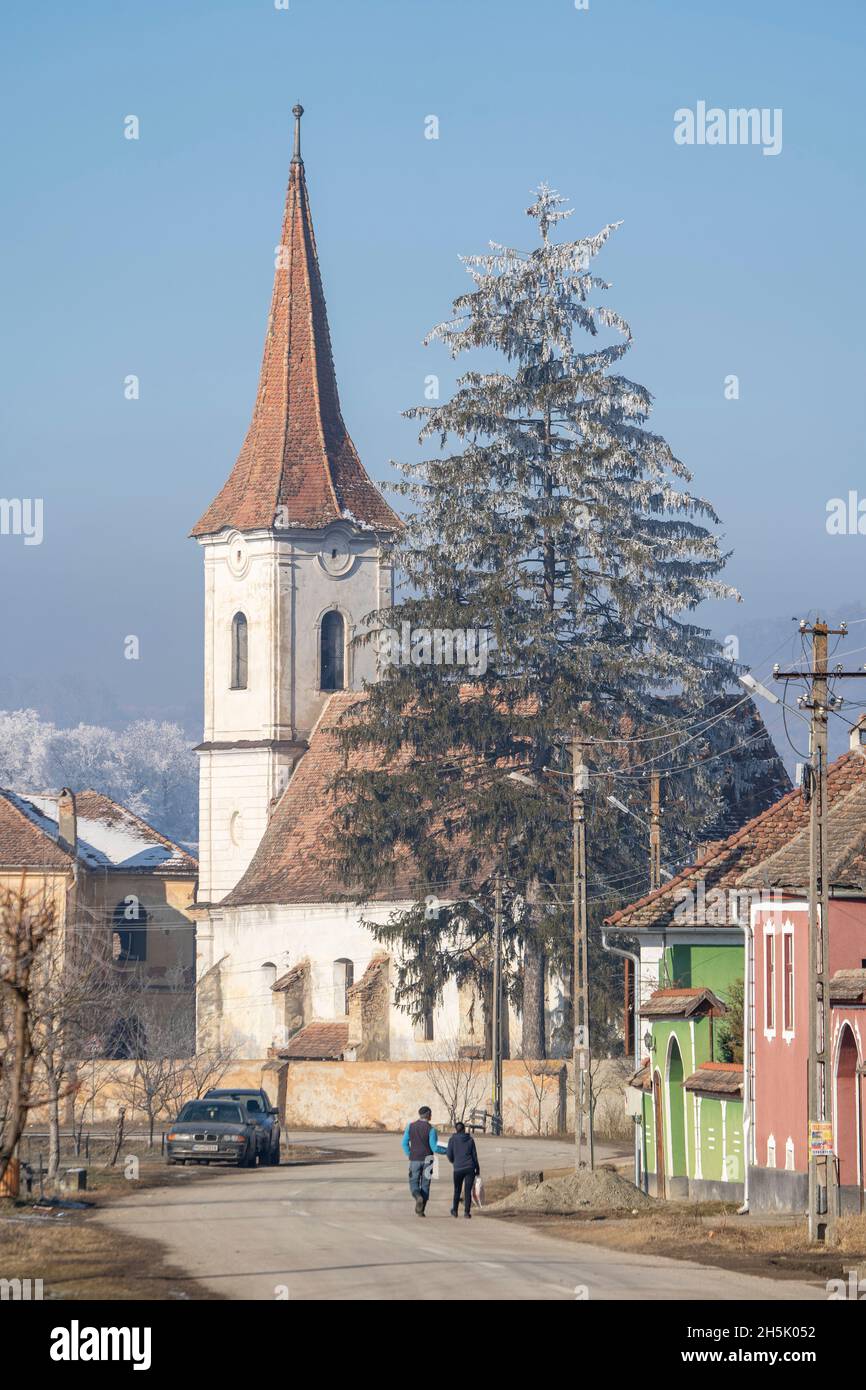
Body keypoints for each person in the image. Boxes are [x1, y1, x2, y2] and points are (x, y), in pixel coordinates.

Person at [401, 1105, 446, 1216]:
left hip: (415, 1159)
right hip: (429, 1159)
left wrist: (410, 1154)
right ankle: (421, 1211)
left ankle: (417, 1197)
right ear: (428, 1115)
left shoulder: (410, 1126)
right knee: (426, 1184)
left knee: (413, 1182)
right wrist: (447, 1151)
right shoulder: (431, 1130)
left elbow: (404, 1143)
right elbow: (434, 1148)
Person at [446, 1120, 480, 1218]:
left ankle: (455, 1211)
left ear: (456, 1130)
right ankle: (466, 1212)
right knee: (467, 1191)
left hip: (458, 1168)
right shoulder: (470, 1140)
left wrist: (454, 1161)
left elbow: (449, 1154)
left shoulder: (452, 1140)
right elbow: (474, 1155)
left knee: (457, 1190)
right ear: (464, 1129)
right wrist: (477, 1168)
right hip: (470, 1168)